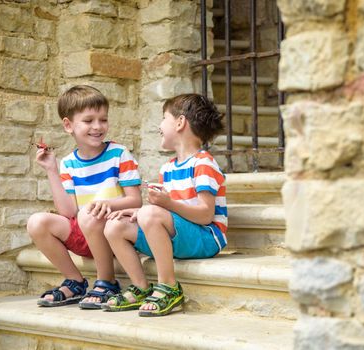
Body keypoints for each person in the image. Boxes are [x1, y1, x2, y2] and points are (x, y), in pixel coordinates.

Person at [102, 93, 227, 317]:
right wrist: (139, 211)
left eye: (163, 118)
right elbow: (165, 213)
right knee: (114, 226)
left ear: (180, 123)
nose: (159, 126)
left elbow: (206, 215)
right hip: (179, 235)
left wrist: (165, 205)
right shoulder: (167, 168)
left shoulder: (203, 163)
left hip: (206, 238)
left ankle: (169, 287)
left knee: (150, 214)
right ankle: (141, 287)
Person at [27, 85, 142, 308]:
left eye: (103, 119)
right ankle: (76, 281)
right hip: (86, 229)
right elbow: (68, 212)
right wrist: (52, 169)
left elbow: (136, 201)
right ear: (68, 125)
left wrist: (105, 204)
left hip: (115, 232)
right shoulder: (69, 163)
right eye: (89, 121)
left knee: (89, 214)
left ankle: (107, 281)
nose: (98, 127)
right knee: (37, 222)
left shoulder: (119, 154)